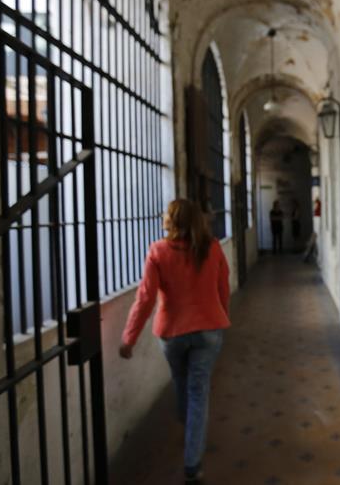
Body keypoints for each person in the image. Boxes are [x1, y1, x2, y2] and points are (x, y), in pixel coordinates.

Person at [119, 199, 230, 484]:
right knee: (198, 391)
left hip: (172, 332)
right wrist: (221, 316)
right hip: (208, 330)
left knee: (182, 385)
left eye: (166, 214)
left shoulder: (158, 251)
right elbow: (223, 286)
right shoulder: (212, 247)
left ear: (172, 220)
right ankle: (193, 460)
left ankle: (191, 436)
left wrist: (129, 338)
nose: (162, 217)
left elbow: (145, 298)